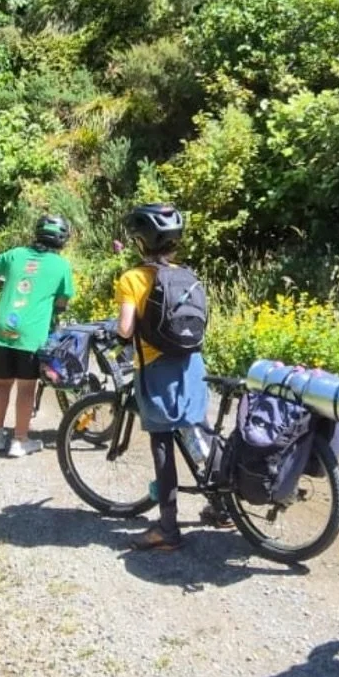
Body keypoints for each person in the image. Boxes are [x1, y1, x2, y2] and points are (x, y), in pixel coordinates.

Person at [115, 203, 219, 550]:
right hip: (192, 365)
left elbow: (126, 329)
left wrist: (117, 334)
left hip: (158, 371)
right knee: (197, 431)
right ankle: (221, 505)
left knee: (162, 444)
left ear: (141, 242)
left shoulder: (132, 279)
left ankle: (167, 529)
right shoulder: (187, 275)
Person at [0, 214, 75, 457]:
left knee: (2, 382)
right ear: (62, 241)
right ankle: (20, 440)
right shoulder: (61, 266)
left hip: (2, 327)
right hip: (31, 333)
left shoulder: (15, 254)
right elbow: (63, 299)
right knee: (26, 387)